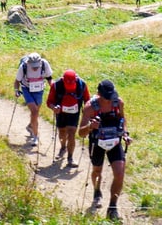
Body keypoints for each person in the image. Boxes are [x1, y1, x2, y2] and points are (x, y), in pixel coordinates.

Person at [78, 79, 128, 221]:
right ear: (99, 94)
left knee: (119, 173)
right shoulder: (89, 107)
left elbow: (122, 120)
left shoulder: (118, 103)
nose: (108, 101)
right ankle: (97, 191)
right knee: (97, 171)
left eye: (110, 97)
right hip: (97, 142)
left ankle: (112, 208)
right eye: (106, 98)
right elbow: (80, 133)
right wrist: (90, 127)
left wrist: (125, 134)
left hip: (114, 141)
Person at [46, 70, 90, 167]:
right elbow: (49, 101)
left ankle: (70, 158)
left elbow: (87, 100)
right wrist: (54, 107)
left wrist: (87, 112)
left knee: (71, 134)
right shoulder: (56, 85)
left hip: (74, 113)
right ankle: (63, 147)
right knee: (62, 133)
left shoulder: (82, 85)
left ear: (76, 80)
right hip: (60, 112)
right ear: (63, 80)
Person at [13, 52, 53, 146]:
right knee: (34, 112)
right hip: (27, 89)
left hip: (39, 90)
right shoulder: (23, 66)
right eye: (33, 66)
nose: (35, 68)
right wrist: (16, 90)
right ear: (28, 63)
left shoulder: (44, 64)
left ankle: (31, 126)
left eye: (36, 66)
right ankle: (36, 136)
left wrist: (54, 88)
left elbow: (49, 78)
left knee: (35, 113)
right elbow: (17, 81)